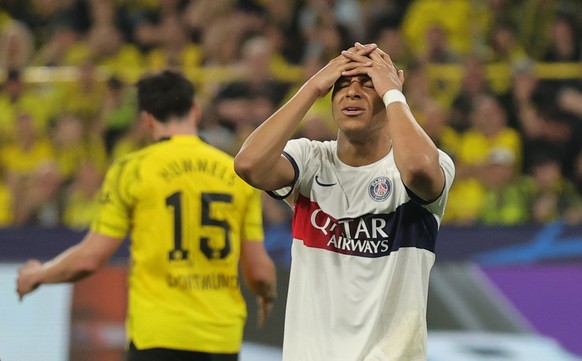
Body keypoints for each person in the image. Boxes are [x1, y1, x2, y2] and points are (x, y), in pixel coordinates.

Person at [16, 70, 277, 361]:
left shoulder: (133, 170)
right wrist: (266, 294)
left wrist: (38, 275)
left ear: (147, 119)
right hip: (221, 338)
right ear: (195, 110)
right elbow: (259, 270)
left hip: (158, 335)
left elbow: (90, 258)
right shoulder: (234, 173)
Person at [234, 42, 455, 360]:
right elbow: (248, 165)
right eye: (342, 84)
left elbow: (420, 168)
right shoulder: (310, 160)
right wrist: (312, 86)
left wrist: (392, 92)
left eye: (368, 83)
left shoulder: (426, 164)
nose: (352, 92)